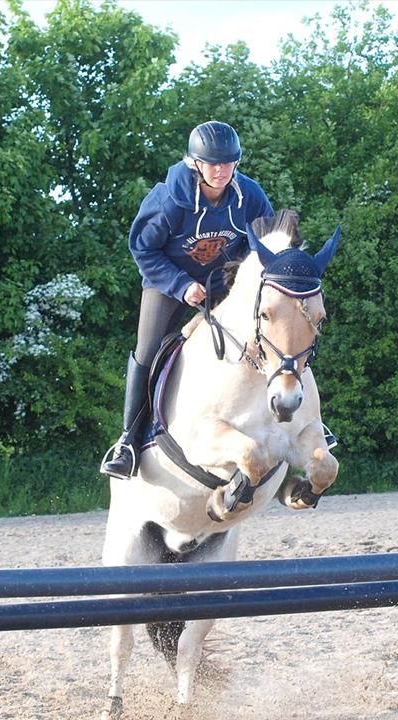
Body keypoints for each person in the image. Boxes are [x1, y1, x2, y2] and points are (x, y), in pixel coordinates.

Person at [100, 121, 275, 480]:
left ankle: (292, 423)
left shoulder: (250, 196)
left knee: (269, 333)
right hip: (167, 283)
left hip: (220, 282)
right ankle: (128, 442)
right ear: (195, 163)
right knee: (148, 351)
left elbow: (266, 241)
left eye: (229, 163)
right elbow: (143, 248)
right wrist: (181, 285)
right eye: (213, 164)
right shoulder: (169, 199)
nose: (222, 170)